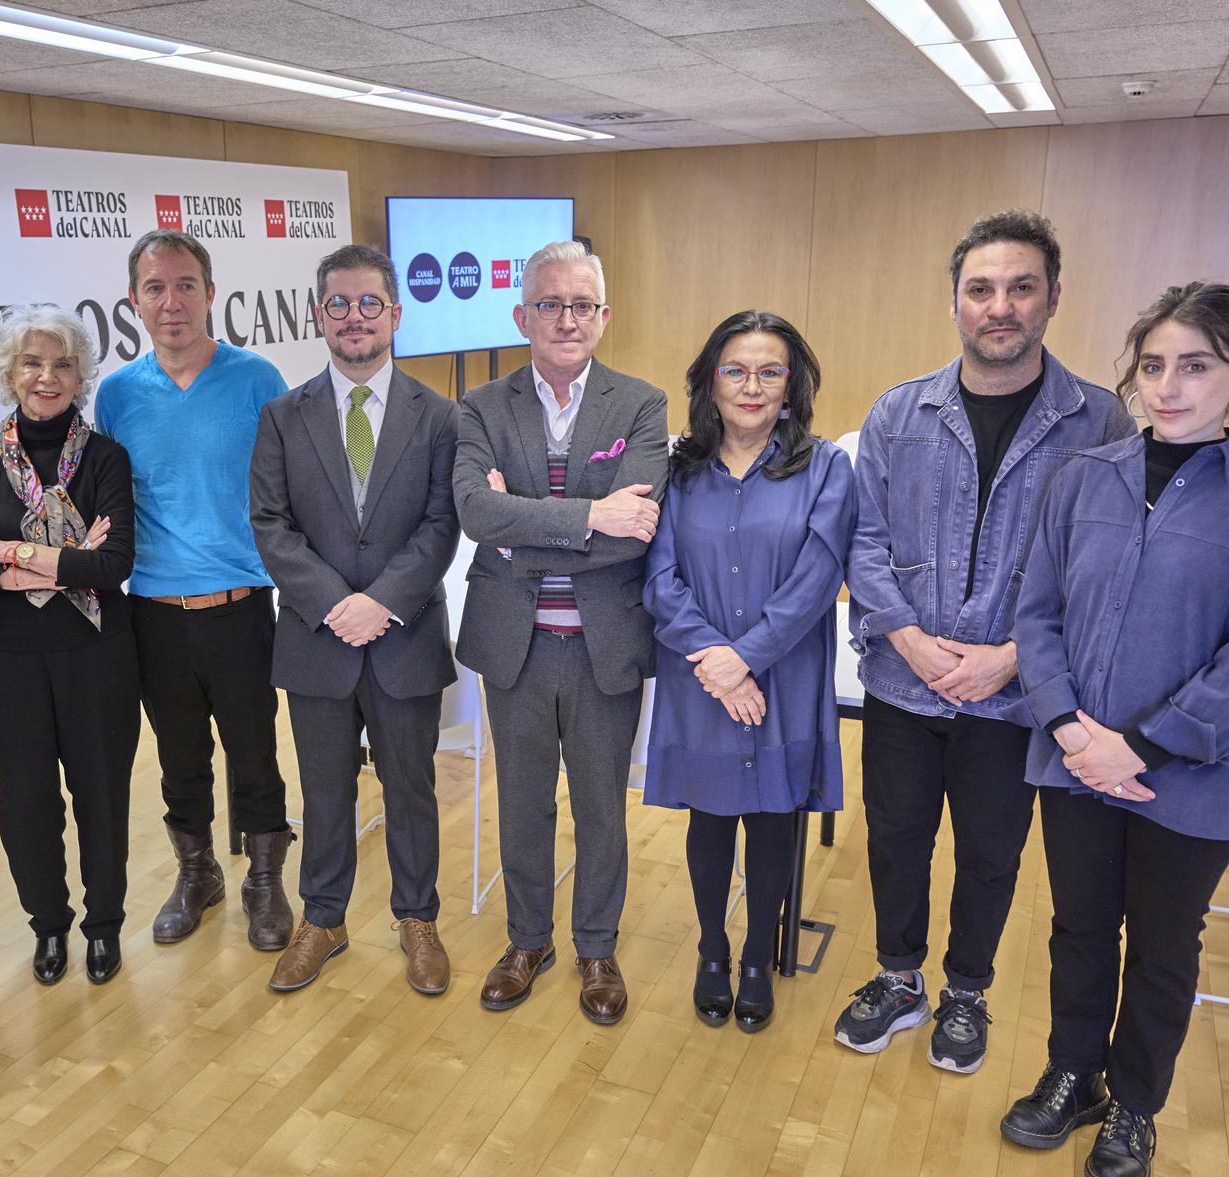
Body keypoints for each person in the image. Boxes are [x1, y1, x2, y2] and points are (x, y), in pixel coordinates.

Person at [1001, 283, 1229, 1177]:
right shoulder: (1083, 480)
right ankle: (1075, 1072)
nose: (1169, 387)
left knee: (1164, 946)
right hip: (1071, 763)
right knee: (1079, 927)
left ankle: (1136, 1100)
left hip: (1191, 779)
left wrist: (1135, 747)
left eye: (1197, 366)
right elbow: (1039, 615)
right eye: (1153, 365)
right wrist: (1067, 724)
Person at [841, 210, 1132, 1073]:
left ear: (1051, 299)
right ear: (955, 302)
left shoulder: (1099, 422)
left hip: (1014, 695)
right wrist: (911, 638)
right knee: (895, 839)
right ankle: (899, 977)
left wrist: (1011, 657)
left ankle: (967, 991)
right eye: (981, 289)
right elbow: (863, 538)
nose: (998, 305)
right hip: (903, 682)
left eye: (1020, 287)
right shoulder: (900, 412)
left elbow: (1103, 567)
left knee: (991, 853)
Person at [453, 238, 669, 1026]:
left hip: (604, 643)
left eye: (581, 305)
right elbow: (478, 513)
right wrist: (590, 513)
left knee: (602, 807)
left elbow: (634, 531)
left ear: (604, 316)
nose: (566, 319)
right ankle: (526, 940)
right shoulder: (479, 406)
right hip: (515, 643)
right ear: (522, 315)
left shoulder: (641, 405)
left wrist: (525, 530)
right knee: (522, 803)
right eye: (549, 304)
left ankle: (597, 946)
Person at [250, 245, 461, 995]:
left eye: (369, 303)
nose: (354, 318)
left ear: (395, 315)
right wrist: (337, 604)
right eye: (338, 304)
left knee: (411, 787)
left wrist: (383, 602)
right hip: (317, 641)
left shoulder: (440, 416)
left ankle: (417, 918)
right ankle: (324, 918)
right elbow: (270, 524)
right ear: (318, 316)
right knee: (325, 789)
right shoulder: (282, 415)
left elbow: (442, 523)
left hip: (404, 636)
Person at [643, 312, 854, 1033]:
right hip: (702, 676)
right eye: (735, 369)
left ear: (792, 385)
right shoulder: (676, 470)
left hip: (782, 677)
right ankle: (712, 949)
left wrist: (746, 658)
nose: (752, 385)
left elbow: (817, 578)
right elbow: (660, 579)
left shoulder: (826, 467)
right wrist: (718, 662)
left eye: (770, 371)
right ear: (710, 380)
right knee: (711, 813)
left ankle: (758, 956)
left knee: (771, 814)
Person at [95, 230, 296, 953]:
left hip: (241, 608)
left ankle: (266, 881)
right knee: (179, 755)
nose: (171, 302)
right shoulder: (115, 394)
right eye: (155, 288)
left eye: (185, 285)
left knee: (254, 751)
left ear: (212, 293)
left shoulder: (257, 380)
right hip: (152, 611)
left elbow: (287, 491)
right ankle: (198, 871)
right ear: (134, 302)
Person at [0, 303, 137, 987]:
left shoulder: (105, 456)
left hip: (98, 654)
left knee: (101, 795)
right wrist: (62, 553)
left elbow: (113, 568)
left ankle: (103, 926)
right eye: (31, 361)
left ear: (81, 375)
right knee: (25, 802)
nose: (46, 376)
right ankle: (48, 927)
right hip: (9, 657)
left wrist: (7, 553)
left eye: (61, 363)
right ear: (8, 372)